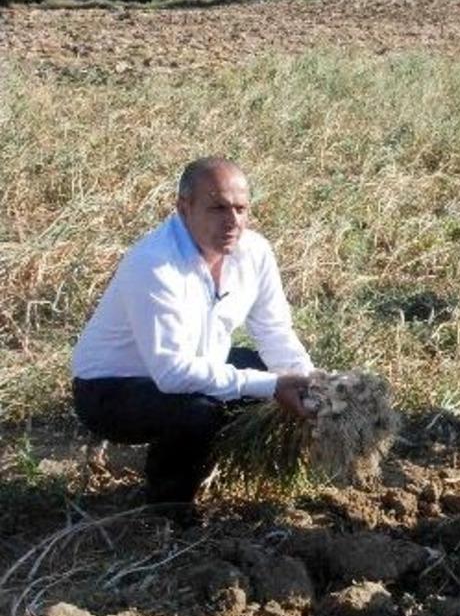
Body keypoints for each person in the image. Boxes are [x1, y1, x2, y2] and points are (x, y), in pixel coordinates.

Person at [71, 157, 314, 507]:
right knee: (198, 411)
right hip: (109, 388)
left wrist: (308, 384)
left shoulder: (255, 252)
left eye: (241, 209)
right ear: (184, 208)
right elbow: (172, 374)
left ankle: (219, 466)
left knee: (265, 369)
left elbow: (275, 331)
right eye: (218, 208)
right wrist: (273, 387)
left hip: (191, 365)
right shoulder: (154, 264)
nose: (233, 221)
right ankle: (168, 506)